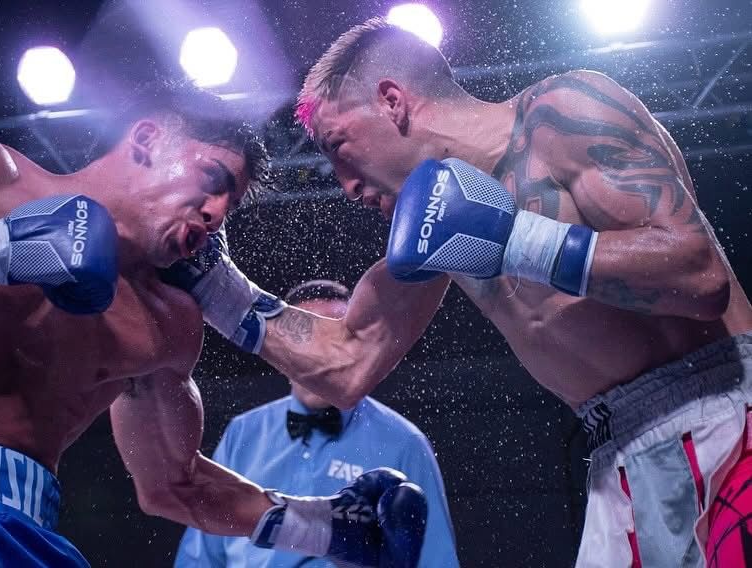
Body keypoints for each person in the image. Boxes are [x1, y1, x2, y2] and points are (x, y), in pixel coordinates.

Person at [162, 18, 752, 568]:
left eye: (339, 147)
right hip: (617, 457)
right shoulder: (436, 233)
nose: (345, 186)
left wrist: (516, 240)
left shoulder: (561, 113)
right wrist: (217, 287)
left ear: (392, 101)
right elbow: (347, 363)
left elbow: (700, 276)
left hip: (729, 412)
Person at [0, 79, 427, 567]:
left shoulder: (164, 324)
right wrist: (2, 248)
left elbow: (173, 484)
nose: (215, 213)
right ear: (147, 139)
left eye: (229, 207)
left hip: (19, 535)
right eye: (212, 179)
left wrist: (323, 527)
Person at [175, 280, 458, 567]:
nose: (323, 356)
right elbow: (199, 557)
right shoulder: (242, 433)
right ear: (280, 350)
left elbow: (438, 561)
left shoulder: (404, 442)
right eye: (309, 340)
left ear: (355, 350)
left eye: (336, 341)